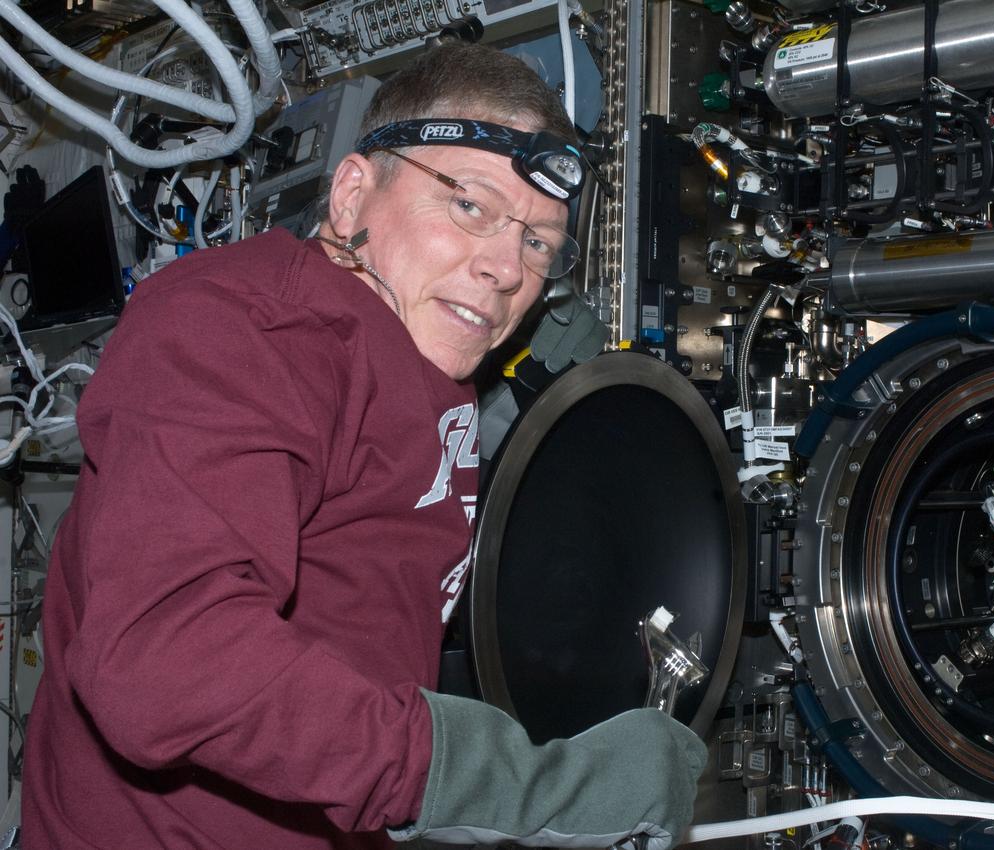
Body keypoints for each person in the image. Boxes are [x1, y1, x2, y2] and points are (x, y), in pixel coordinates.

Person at [21, 41, 706, 849]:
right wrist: (522, 789)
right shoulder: (241, 329)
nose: (502, 268)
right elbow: (166, 662)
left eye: (537, 244)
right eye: (470, 206)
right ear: (352, 196)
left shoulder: (434, 369)